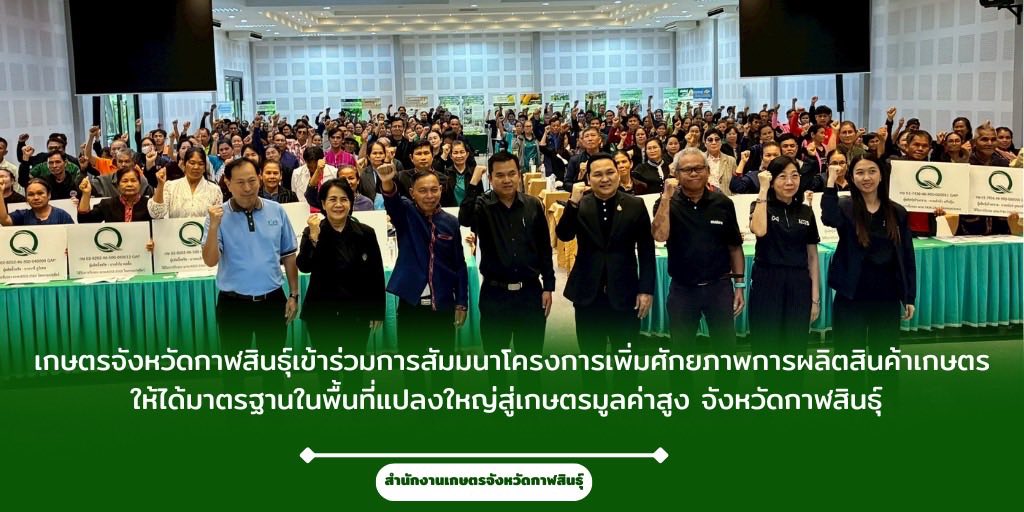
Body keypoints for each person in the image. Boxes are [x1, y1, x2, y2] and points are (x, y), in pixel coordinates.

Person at [556, 153, 655, 363]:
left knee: (626, 362)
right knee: (592, 361)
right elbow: (564, 235)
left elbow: (646, 250)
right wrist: (572, 203)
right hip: (587, 294)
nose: (605, 179)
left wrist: (646, 290)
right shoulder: (580, 204)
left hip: (625, 292)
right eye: (598, 174)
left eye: (610, 172)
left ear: (618, 174)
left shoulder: (635, 204)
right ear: (588, 178)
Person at [822, 154, 915, 374]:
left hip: (887, 295)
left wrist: (909, 296)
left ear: (881, 175)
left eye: (872, 171)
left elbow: (906, 255)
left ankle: (884, 395)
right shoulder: (845, 207)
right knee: (848, 358)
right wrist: (830, 182)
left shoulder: (897, 212)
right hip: (851, 295)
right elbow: (829, 218)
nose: (866, 178)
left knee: (885, 359)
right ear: (852, 177)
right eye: (860, 172)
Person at [459, 151, 554, 366]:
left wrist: (548, 286)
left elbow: (544, 248)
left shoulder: (533, 205)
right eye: (500, 175)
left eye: (512, 174)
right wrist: (474, 182)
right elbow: (464, 218)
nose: (507, 180)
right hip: (495, 295)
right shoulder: (482, 205)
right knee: (496, 364)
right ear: (490, 178)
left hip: (530, 293)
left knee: (530, 364)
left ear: (519, 175)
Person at [201, 158, 300, 357]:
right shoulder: (217, 216)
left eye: (252, 180)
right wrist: (214, 226)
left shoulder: (276, 210)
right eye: (240, 182)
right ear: (228, 183)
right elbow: (210, 261)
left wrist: (294, 295)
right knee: (235, 367)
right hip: (234, 305)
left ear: (260, 178)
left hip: (272, 301)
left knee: (273, 366)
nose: (247, 188)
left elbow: (289, 255)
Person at [652, 148, 745, 358]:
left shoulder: (723, 203)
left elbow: (734, 246)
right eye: (687, 170)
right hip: (682, 290)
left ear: (707, 170)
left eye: (698, 168)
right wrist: (666, 197)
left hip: (719, 288)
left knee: (726, 351)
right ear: (676, 174)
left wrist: (739, 286)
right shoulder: (665, 203)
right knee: (681, 352)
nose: (693, 173)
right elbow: (659, 236)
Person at [378, 162, 468, 367]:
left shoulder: (451, 222)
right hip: (412, 308)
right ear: (412, 193)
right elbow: (392, 201)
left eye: (434, 190)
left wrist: (462, 302)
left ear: (441, 190)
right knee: (412, 370)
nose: (429, 195)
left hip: (442, 306)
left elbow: (460, 265)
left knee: (442, 370)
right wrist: (387, 181)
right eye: (423, 191)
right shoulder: (406, 214)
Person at [297, 178, 385, 386]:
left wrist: (377, 311)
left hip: (356, 313)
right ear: (323, 203)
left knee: (354, 372)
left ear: (351, 202)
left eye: (344, 199)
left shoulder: (365, 232)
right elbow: (304, 266)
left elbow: (376, 273)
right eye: (332, 199)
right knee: (327, 374)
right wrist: (314, 238)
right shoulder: (313, 231)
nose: (338, 204)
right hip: (322, 314)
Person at [747, 156, 820, 355]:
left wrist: (815, 298)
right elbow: (759, 230)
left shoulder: (805, 212)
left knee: (795, 346)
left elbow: (812, 257)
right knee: (765, 345)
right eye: (782, 176)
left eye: (794, 176)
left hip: (799, 282)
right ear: (772, 180)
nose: (789, 182)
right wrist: (763, 189)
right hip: (767, 280)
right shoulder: (760, 205)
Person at [148, 147, 223, 218]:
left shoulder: (214, 190)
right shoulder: (170, 186)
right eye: (192, 163)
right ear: (184, 165)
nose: (196, 167)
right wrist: (160, 185)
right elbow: (156, 214)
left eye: (200, 164)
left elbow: (218, 218)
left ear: (204, 168)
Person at [77, 166, 153, 224]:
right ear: (118, 185)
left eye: (133, 181)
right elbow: (84, 220)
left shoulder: (150, 204)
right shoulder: (107, 204)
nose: (129, 184)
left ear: (140, 184)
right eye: (125, 181)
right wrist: (86, 194)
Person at [0, 178, 74, 226]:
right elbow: (5, 221)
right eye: (31, 194)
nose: (36, 198)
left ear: (49, 195)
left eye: (40, 193)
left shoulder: (62, 215)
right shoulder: (22, 215)